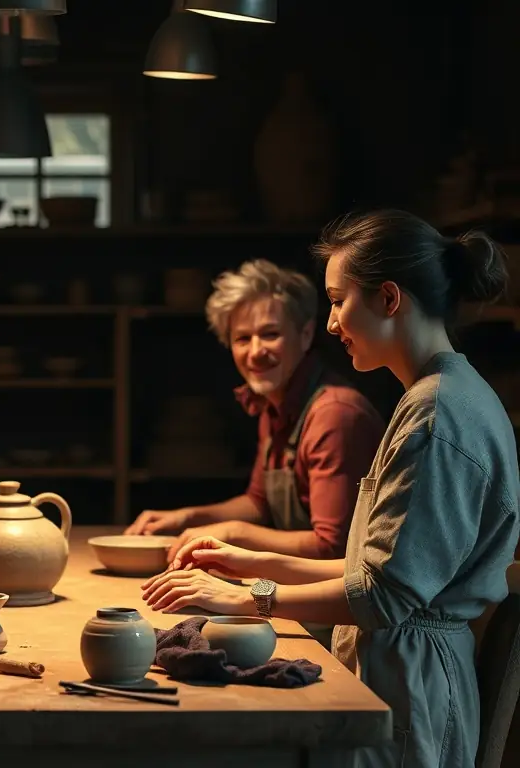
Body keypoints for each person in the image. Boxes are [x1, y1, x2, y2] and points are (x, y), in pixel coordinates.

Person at [143, 210, 520, 768]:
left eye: (340, 301)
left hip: (410, 686)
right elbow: (372, 571)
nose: (331, 323)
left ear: (388, 300)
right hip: (397, 670)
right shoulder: (433, 396)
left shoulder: (438, 415)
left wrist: (247, 598)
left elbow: (381, 598)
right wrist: (248, 561)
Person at [127, 259, 385, 565]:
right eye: (242, 338)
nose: (255, 351)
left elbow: (333, 547)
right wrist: (187, 517)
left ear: (305, 335)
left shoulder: (334, 415)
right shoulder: (274, 401)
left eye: (270, 334)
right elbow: (259, 503)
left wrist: (233, 533)